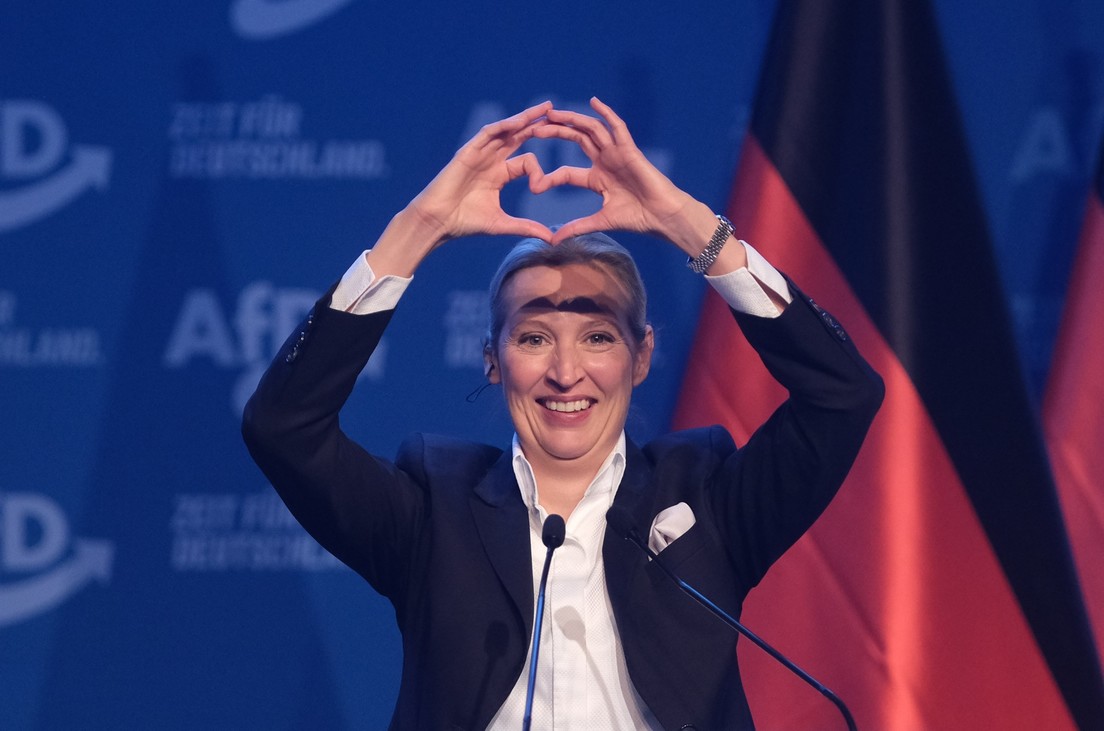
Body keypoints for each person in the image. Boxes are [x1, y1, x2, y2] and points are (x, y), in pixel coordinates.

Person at [242, 98, 884, 730]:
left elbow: (842, 393)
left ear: (641, 356)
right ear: (493, 360)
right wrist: (418, 228)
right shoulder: (434, 512)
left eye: (598, 337)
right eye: (533, 338)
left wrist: (692, 228)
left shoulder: (706, 499)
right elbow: (284, 426)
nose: (566, 371)